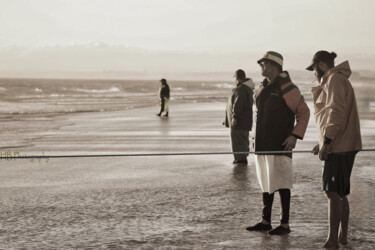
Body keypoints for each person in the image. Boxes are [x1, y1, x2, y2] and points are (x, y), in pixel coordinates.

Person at [246, 51, 310, 235]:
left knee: (282, 183)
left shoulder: (288, 87)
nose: (261, 66)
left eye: (263, 63)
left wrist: (294, 136)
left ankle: (284, 224)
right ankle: (265, 220)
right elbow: (259, 116)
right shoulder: (262, 88)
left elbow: (304, 113)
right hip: (262, 144)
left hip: (281, 144)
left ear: (274, 66)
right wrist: (253, 138)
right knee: (265, 181)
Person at [307, 51, 362, 249]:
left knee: (332, 193)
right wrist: (322, 141)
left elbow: (336, 113)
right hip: (342, 144)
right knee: (340, 193)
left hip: (339, 147)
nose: (313, 73)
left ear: (321, 65)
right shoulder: (337, 80)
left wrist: (327, 142)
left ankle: (332, 240)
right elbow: (334, 116)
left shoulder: (334, 80)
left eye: (313, 69)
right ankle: (341, 237)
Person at [224, 69, 255, 164]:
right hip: (243, 121)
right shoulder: (245, 88)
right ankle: (241, 158)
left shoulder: (241, 89)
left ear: (237, 78)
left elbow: (238, 104)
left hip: (239, 122)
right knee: (242, 140)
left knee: (238, 141)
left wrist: (234, 117)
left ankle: (240, 160)